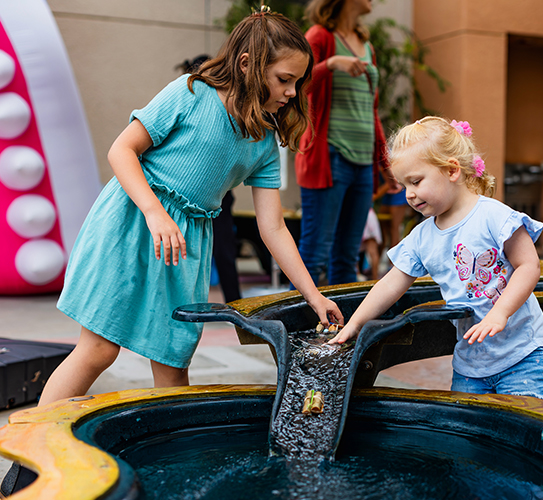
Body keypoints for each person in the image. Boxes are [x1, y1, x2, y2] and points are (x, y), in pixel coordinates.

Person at [39, 10, 343, 407]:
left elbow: (274, 228)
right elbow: (122, 150)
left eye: (297, 83)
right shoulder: (189, 92)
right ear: (248, 65)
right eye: (284, 79)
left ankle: (170, 463)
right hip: (133, 222)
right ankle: (29, 464)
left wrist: (313, 295)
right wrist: (154, 211)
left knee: (172, 361)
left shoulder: (265, 142)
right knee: (98, 350)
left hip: (184, 247)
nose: (291, 92)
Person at [329, 117, 543, 402]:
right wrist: (355, 323)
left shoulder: (493, 216)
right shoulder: (422, 236)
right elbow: (390, 284)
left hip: (522, 352)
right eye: (403, 186)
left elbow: (529, 265)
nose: (409, 194)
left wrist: (500, 312)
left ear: (451, 170)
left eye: (416, 181)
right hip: (470, 363)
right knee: (467, 434)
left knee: (531, 427)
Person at [294, 0, 394, 286]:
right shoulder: (320, 36)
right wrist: (332, 64)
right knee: (314, 255)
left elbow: (370, 111)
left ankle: (344, 328)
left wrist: (384, 165)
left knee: (348, 257)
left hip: (364, 164)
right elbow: (297, 83)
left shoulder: (366, 45)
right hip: (330, 156)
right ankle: (292, 328)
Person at [178, 54, 242, 303]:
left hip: (218, 200)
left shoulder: (226, 113)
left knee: (224, 252)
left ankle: (234, 302)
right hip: (186, 199)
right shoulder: (187, 95)